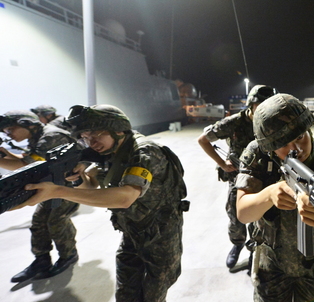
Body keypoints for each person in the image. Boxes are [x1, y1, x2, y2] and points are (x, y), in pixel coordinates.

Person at [20, 104, 188, 302]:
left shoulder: (145, 152)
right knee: (125, 294)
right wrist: (77, 179)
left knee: (152, 295)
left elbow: (125, 197)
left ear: (117, 129)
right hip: (132, 231)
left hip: (160, 236)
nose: (91, 142)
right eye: (85, 137)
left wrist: (57, 191)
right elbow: (92, 186)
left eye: (96, 134)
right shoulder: (111, 152)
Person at [236, 94, 314, 301]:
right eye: (283, 144)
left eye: (300, 138)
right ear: (269, 145)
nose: (295, 149)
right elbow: (242, 212)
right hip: (271, 264)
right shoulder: (258, 154)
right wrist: (268, 195)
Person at [197, 84, 277, 269]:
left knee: (261, 215)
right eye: (261, 105)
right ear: (251, 104)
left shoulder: (271, 123)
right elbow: (203, 140)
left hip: (264, 176)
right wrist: (222, 163)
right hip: (238, 177)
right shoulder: (234, 122)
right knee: (235, 215)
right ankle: (237, 244)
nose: (265, 110)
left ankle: (254, 250)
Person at [0, 110, 79, 283]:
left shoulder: (51, 136)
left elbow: (26, 165)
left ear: (27, 123)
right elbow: (27, 160)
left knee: (56, 222)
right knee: (38, 223)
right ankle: (41, 260)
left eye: (10, 129)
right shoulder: (37, 137)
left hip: (66, 188)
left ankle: (68, 255)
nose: (8, 134)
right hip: (50, 186)